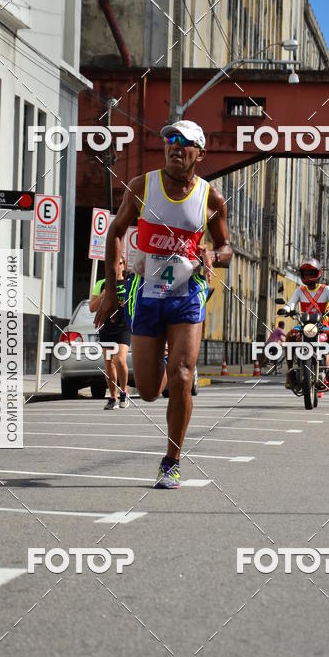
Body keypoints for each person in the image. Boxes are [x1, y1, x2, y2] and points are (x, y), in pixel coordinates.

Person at [93, 120, 231, 489]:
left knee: (183, 377)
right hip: (147, 292)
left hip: (187, 293)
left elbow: (226, 247)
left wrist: (213, 256)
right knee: (151, 390)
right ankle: (171, 363)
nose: (175, 146)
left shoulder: (211, 198)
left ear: (199, 154)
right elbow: (116, 232)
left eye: (185, 142)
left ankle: (171, 461)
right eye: (170, 139)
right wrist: (112, 290)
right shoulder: (142, 186)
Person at [283, 258, 329, 390]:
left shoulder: (327, 290)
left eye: (311, 273)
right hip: (304, 326)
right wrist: (287, 310)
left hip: (321, 326)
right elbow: (291, 303)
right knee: (290, 336)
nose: (308, 276)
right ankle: (290, 373)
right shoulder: (300, 290)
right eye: (306, 273)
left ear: (318, 274)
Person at [89, 255, 131, 409]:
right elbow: (92, 307)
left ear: (124, 265)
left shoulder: (128, 284)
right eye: (113, 264)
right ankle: (112, 397)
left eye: (119, 264)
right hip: (106, 328)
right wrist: (104, 294)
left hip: (123, 327)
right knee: (109, 363)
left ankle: (124, 392)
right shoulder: (101, 284)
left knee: (120, 360)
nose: (116, 267)